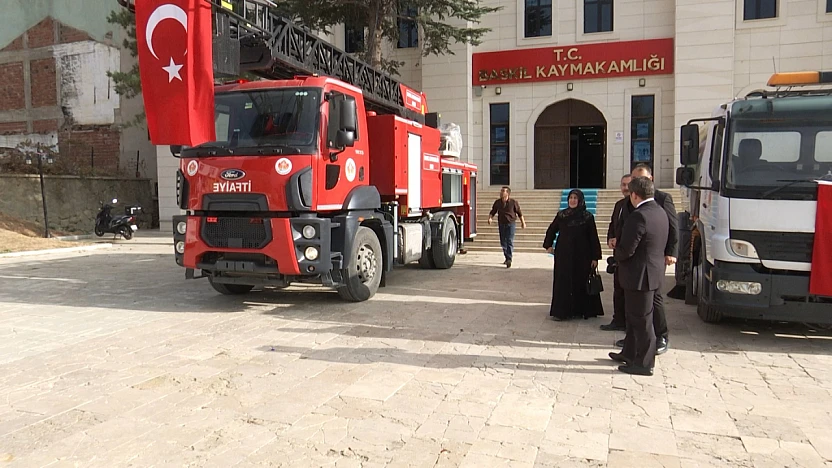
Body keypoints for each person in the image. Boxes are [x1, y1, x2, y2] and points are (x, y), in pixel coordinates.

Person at [612, 164, 677, 355]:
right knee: (635, 307)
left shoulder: (661, 200)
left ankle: (660, 336)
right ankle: (632, 342)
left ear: (651, 179)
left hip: (650, 260)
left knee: (652, 303)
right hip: (632, 262)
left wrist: (671, 252)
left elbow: (671, 226)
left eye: (641, 179)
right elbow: (619, 224)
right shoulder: (626, 203)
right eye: (633, 179)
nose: (635, 183)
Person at [542, 189, 604, 321]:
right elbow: (552, 229)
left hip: (582, 256)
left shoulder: (587, 217)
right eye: (571, 198)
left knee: (581, 281)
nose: (573, 200)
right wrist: (548, 245)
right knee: (562, 281)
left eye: (575, 198)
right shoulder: (562, 215)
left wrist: (595, 257)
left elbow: (593, 237)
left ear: (580, 200)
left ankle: (580, 310)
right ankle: (561, 312)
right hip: (563, 255)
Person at [600, 174, 632, 332]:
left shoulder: (636, 206)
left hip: (631, 255)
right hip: (618, 254)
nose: (625, 188)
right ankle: (618, 319)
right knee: (618, 289)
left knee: (629, 292)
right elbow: (613, 224)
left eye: (628, 185)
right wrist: (610, 238)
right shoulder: (619, 204)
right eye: (623, 185)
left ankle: (630, 322)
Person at [488, 186, 526, 268]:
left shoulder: (513, 202)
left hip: (511, 224)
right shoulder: (497, 202)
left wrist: (523, 222)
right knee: (503, 241)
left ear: (507, 193)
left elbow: (519, 213)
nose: (501, 192)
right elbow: (493, 211)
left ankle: (509, 259)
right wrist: (490, 218)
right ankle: (506, 256)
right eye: (501, 191)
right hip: (501, 224)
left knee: (509, 240)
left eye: (503, 191)